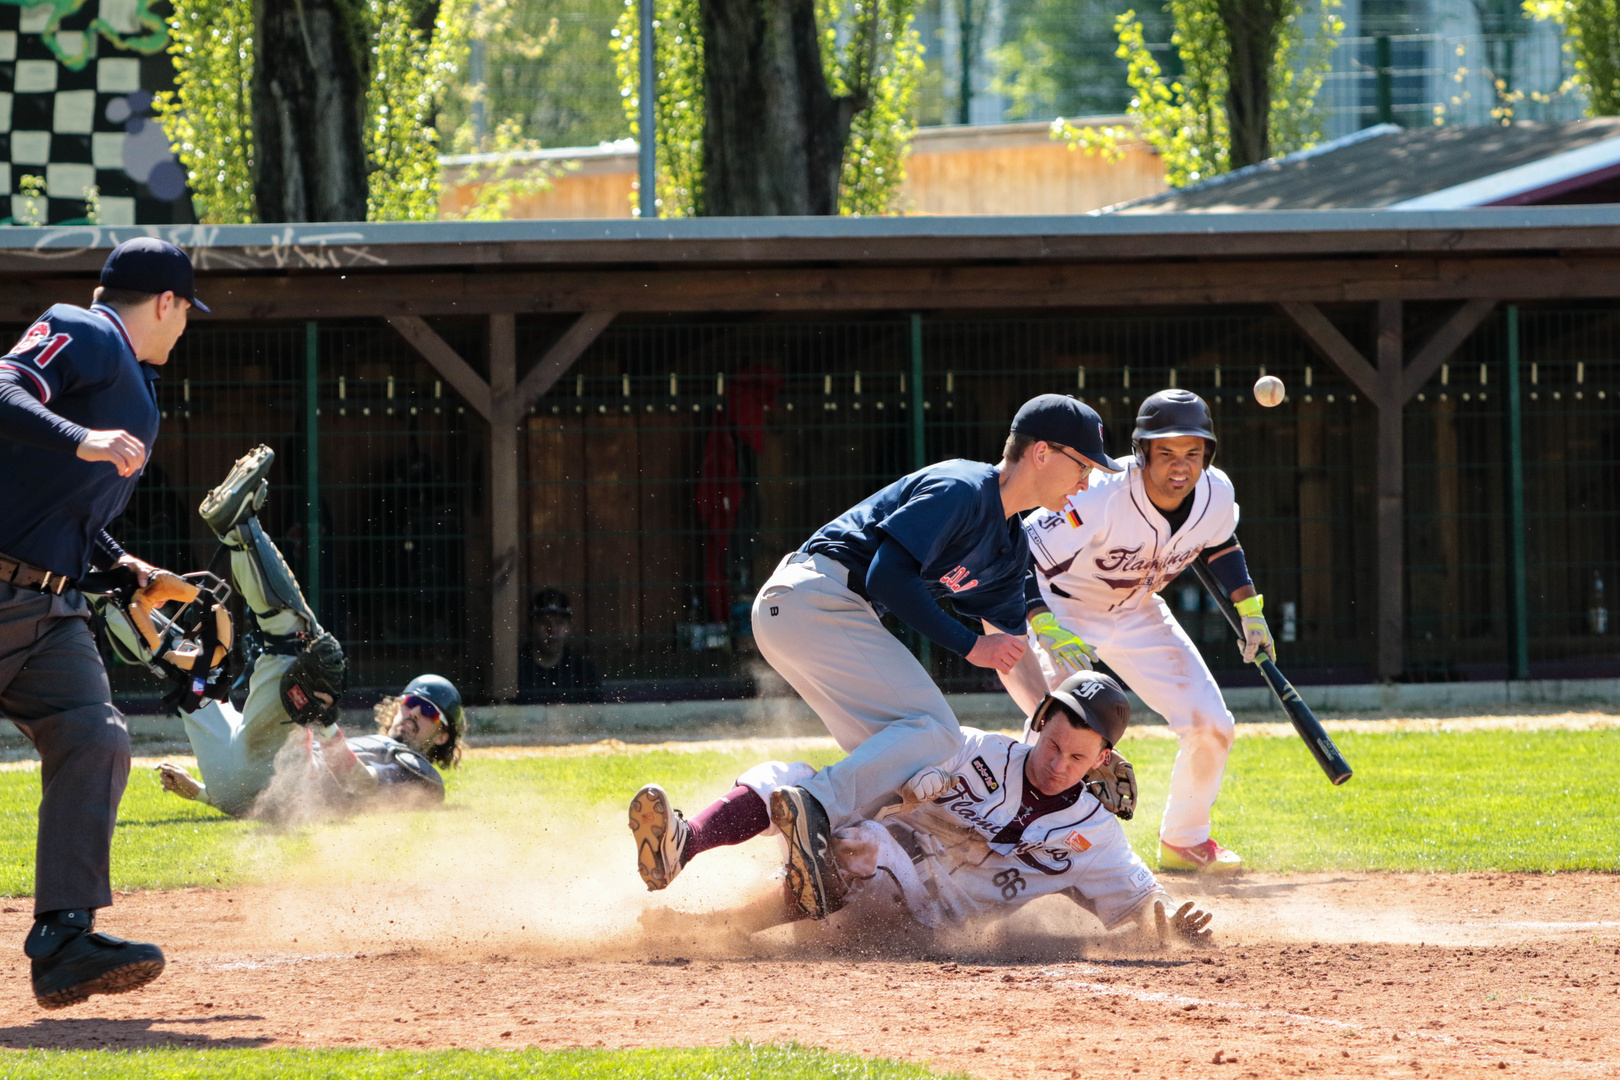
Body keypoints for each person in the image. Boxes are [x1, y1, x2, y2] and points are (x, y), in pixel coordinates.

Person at [747, 393, 1122, 920]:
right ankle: (813, 808)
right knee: (937, 731)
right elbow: (886, 576)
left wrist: (1068, 733)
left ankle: (736, 861)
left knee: (901, 757)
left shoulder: (1009, 546)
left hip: (816, 615)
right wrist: (972, 645)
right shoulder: (964, 488)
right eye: (1083, 466)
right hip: (816, 597)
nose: (1086, 482)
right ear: (1042, 453)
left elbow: (1012, 654)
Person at [630, 672, 1214, 948]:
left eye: (1077, 756)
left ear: (1104, 758)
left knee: (862, 852)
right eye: (1053, 744)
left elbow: (1141, 901)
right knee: (796, 786)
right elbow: (913, 760)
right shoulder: (978, 749)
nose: (1058, 763)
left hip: (929, 917)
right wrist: (921, 778)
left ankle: (714, 931)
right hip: (877, 854)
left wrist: (1171, 921)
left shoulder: (1095, 832)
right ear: (1038, 725)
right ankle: (686, 841)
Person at [0, 237, 201, 1008]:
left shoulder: (131, 379)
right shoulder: (83, 331)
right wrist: (79, 436)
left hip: (52, 607)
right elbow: (5, 387)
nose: (183, 328)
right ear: (166, 303)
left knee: (95, 733)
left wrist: (126, 567)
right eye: (186, 312)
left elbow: (54, 497)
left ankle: (64, 940)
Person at [1012, 389, 1274, 874]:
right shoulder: (1098, 494)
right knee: (1055, 731)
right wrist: (1039, 621)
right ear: (1142, 452)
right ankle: (1018, 844)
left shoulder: (1216, 493)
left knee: (1212, 725)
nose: (1181, 465)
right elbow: (1018, 552)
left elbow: (1220, 543)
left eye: (1193, 453)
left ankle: (1184, 841)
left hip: (1136, 611)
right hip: (1061, 610)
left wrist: (1249, 607)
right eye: (1167, 452)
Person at [153, 447, 462, 818]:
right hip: (243, 781)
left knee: (298, 640)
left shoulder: (423, 775)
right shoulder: (375, 743)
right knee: (182, 662)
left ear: (443, 736)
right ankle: (94, 577)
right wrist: (204, 793)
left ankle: (239, 527)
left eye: (428, 710)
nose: (412, 713)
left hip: (265, 775)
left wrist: (324, 724)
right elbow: (264, 793)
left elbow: (359, 785)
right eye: (410, 702)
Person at [516, 587, 602, 704]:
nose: (552, 630)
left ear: (568, 628)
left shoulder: (583, 671)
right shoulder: (515, 670)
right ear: (531, 627)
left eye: (560, 623)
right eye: (544, 622)